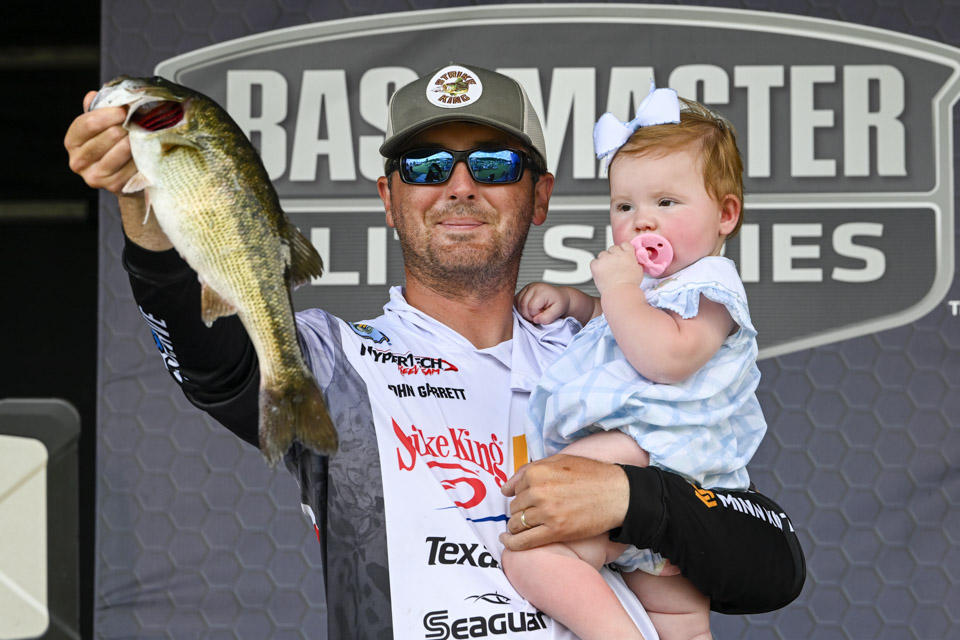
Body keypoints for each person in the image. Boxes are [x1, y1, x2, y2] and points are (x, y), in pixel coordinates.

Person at [65, 63, 804, 639]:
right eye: (424, 166)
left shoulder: (613, 353)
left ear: (540, 197)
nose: (458, 186)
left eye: (493, 164)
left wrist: (633, 500)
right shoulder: (334, 362)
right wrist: (147, 209)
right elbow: (212, 362)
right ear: (389, 199)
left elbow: (774, 562)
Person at [501, 84, 767, 640]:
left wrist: (619, 288)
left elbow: (667, 356)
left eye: (666, 202)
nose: (642, 222)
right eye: (625, 207)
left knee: (535, 530)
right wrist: (577, 303)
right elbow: (616, 322)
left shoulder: (712, 288)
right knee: (678, 620)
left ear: (725, 214)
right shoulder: (644, 291)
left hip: (662, 454)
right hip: (646, 472)